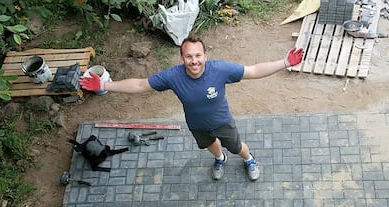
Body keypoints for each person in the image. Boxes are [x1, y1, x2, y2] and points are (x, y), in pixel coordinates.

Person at [80, 36, 304, 181]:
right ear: (182, 58)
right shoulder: (172, 76)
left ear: (205, 56)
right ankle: (219, 160)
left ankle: (249, 159)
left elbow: (253, 70)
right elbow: (140, 84)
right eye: (189, 56)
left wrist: (284, 62)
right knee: (209, 146)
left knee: (236, 147)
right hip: (197, 126)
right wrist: (104, 84)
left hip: (223, 123)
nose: (194, 61)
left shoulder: (221, 69)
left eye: (198, 55)